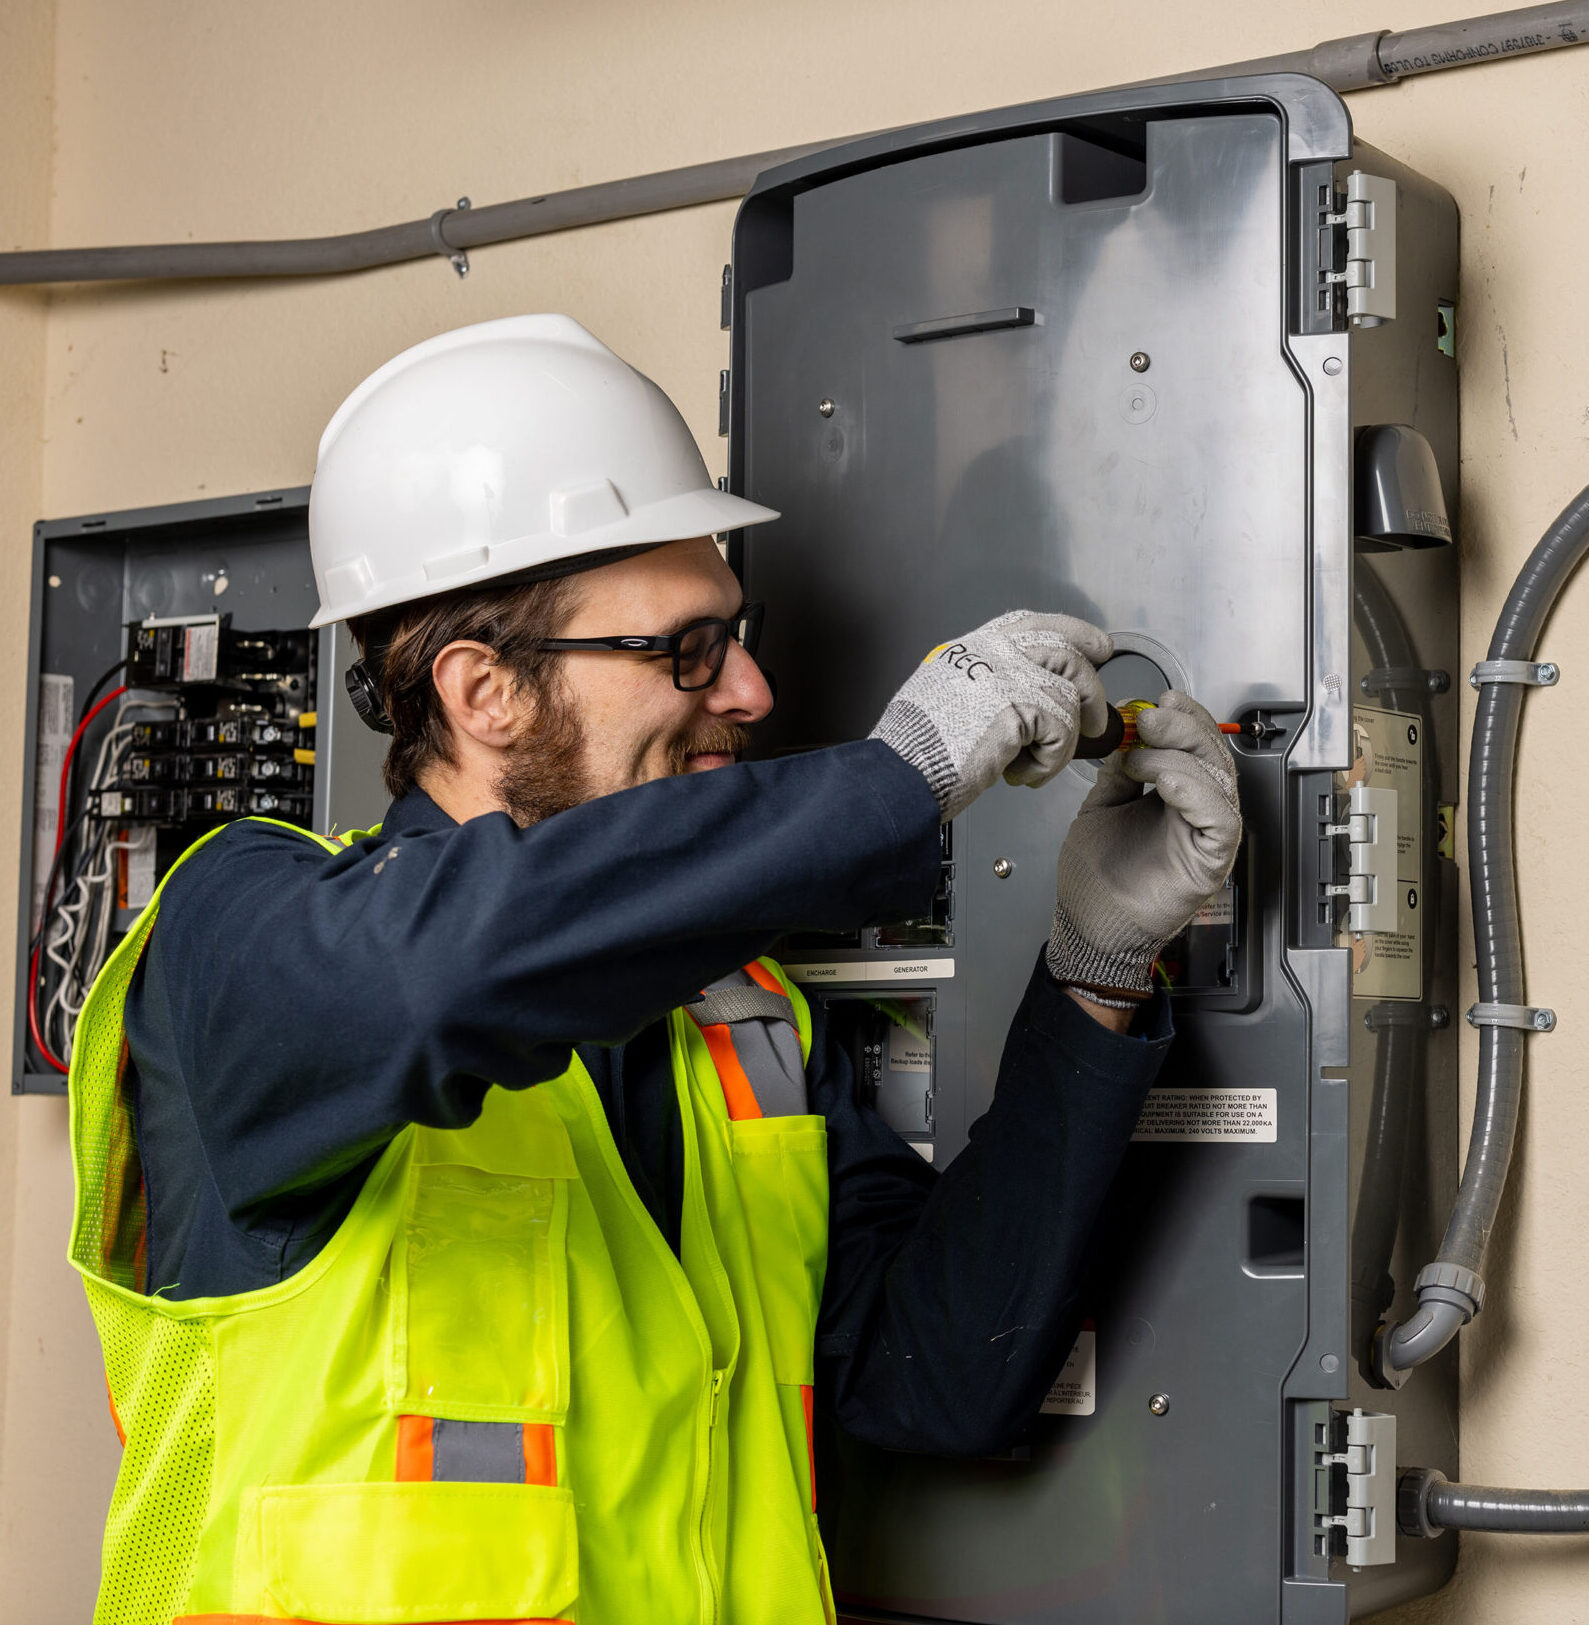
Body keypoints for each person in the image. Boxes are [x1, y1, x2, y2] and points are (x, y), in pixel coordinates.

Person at [66, 315, 1242, 1625]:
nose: (748, 688)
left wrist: (1094, 968)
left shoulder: (741, 1023)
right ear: (484, 691)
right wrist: (896, 774)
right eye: (683, 647)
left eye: (734, 634)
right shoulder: (243, 935)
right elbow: (441, 977)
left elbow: (933, 1374)